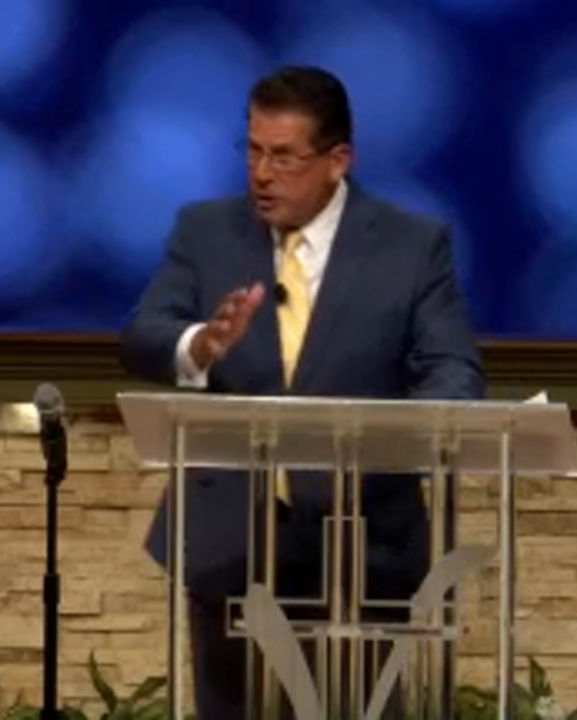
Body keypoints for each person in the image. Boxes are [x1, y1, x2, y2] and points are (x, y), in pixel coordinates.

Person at [118, 66, 485, 718]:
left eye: (284, 157)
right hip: (232, 541)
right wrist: (201, 344)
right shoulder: (205, 232)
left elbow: (453, 369)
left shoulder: (411, 245)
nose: (262, 174)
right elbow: (145, 335)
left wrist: (425, 424)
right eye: (253, 151)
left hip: (364, 543)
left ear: (338, 160)